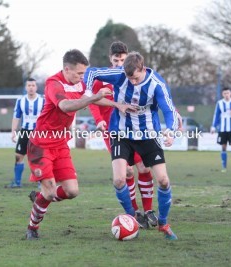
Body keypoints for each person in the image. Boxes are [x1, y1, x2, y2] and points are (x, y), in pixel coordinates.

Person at [25, 49, 131, 240]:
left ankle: (41, 197)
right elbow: (65, 106)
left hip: (61, 144)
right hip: (41, 144)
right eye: (80, 73)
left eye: (84, 73)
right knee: (49, 189)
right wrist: (94, 97)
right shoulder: (53, 84)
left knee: (71, 191)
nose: (83, 77)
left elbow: (96, 99)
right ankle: (32, 227)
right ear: (67, 69)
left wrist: (117, 105)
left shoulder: (80, 84)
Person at [84, 51, 180, 240]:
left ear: (142, 69)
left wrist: (170, 130)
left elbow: (169, 109)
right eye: (129, 78)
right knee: (120, 179)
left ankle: (163, 223)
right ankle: (133, 216)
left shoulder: (156, 84)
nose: (133, 82)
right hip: (121, 133)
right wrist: (89, 93)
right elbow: (92, 72)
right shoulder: (120, 75)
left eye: (135, 78)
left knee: (163, 180)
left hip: (148, 135)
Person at [88, 41, 157, 229]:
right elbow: (92, 101)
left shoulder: (132, 76)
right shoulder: (104, 78)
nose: (119, 63)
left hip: (134, 128)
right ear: (110, 59)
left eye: (123, 59)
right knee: (126, 171)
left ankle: (149, 210)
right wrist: (99, 120)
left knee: (143, 167)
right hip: (113, 131)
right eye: (116, 59)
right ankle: (134, 212)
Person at [9, 78, 44, 188]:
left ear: (36, 87)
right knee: (18, 156)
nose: (31, 87)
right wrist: (13, 131)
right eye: (29, 85)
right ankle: (17, 182)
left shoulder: (43, 100)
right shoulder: (20, 100)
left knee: (38, 157)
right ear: (26, 87)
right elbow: (16, 116)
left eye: (33, 85)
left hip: (38, 132)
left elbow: (48, 117)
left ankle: (41, 182)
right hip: (24, 131)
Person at [210, 87, 231, 172]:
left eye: (227, 93)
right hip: (222, 129)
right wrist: (213, 127)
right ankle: (224, 167)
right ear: (222, 94)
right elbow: (216, 115)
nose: (226, 95)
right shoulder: (219, 103)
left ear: (230, 93)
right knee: (223, 147)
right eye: (224, 93)